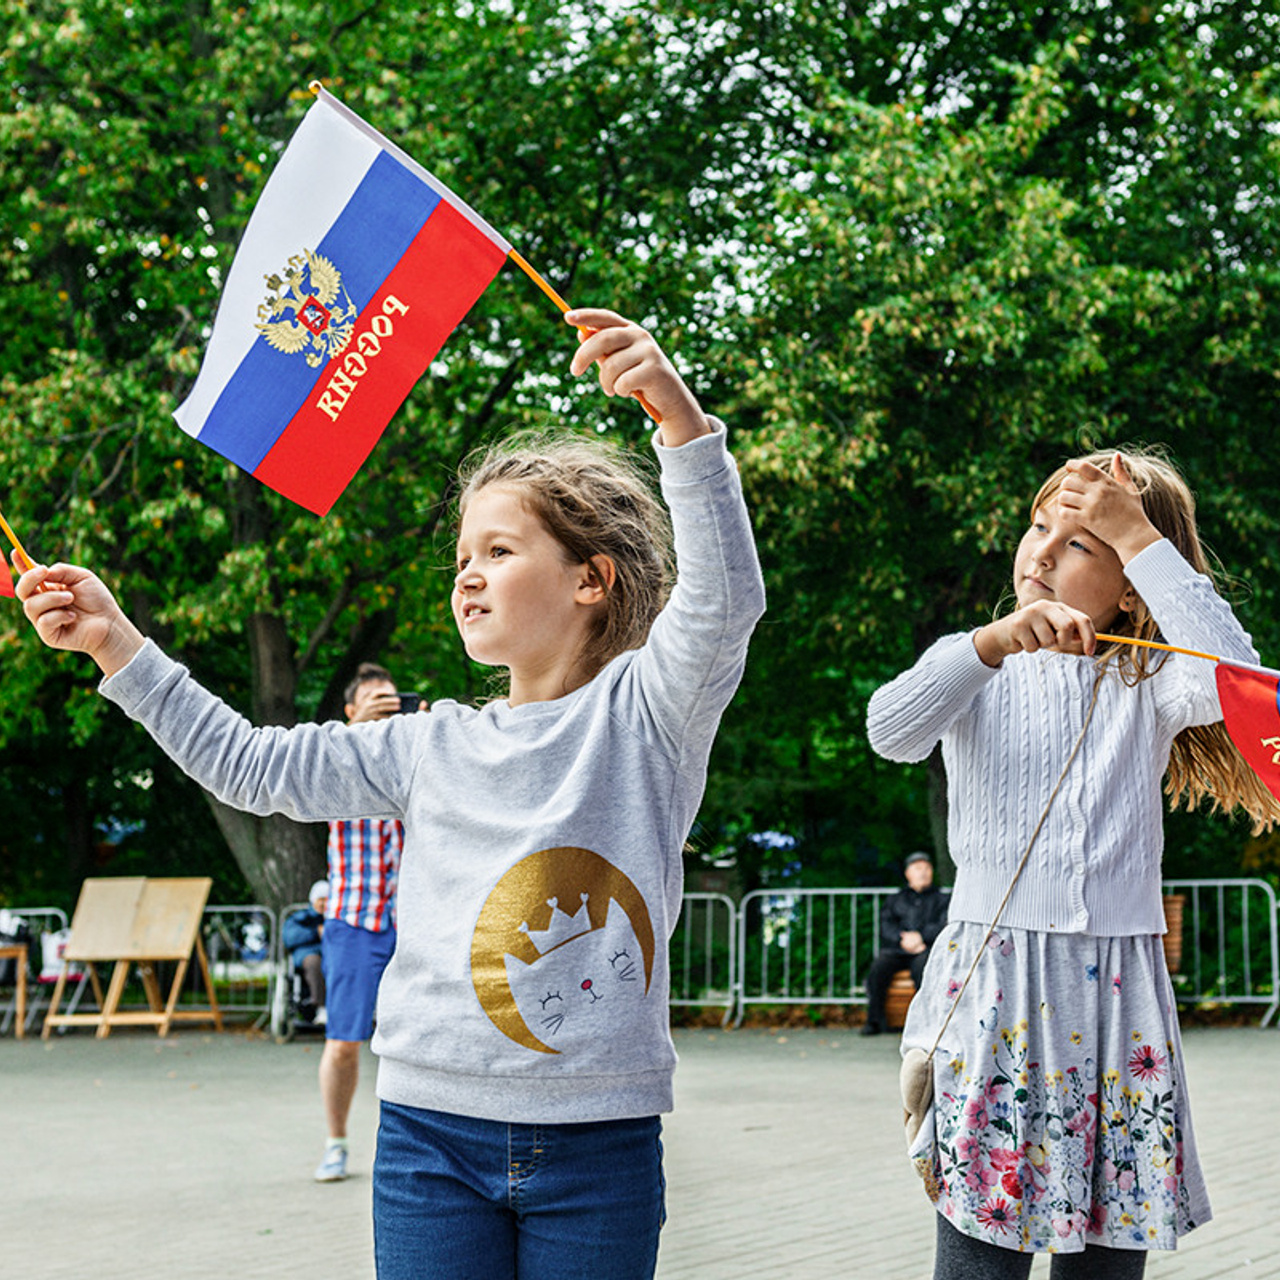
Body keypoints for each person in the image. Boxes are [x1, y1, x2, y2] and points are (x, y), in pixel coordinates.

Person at [16, 307, 765, 1280]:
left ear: (590, 577)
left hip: (599, 1141)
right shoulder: (424, 742)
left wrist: (675, 415)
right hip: (425, 1137)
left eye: (499, 550)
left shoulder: (649, 712)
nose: (467, 575)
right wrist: (116, 641)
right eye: (461, 557)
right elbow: (252, 764)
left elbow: (726, 597)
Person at [867, 448, 1278, 1280]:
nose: (1042, 554)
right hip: (999, 984)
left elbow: (1237, 674)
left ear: (1128, 584)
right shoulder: (978, 665)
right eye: (1038, 527)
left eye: (1083, 542)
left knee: (1107, 1246)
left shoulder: (1152, 681)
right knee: (984, 1237)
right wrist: (984, 645)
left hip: (1120, 993)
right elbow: (891, 730)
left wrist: (1140, 533)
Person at [313, 663, 418, 1184]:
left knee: (423, 1041)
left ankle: (419, 1150)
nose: (385, 706)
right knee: (344, 1041)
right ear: (351, 711)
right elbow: (316, 774)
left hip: (413, 920)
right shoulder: (340, 756)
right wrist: (359, 733)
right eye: (374, 700)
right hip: (353, 920)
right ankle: (335, 1141)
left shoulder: (413, 757)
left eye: (391, 699)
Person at [861, 851, 949, 1037]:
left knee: (923, 970)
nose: (923, 872)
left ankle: (926, 1024)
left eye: (927, 868)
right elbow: (886, 925)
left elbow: (944, 924)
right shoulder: (896, 899)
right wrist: (903, 939)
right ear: (908, 873)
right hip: (899, 949)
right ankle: (874, 1021)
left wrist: (921, 937)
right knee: (878, 968)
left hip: (926, 949)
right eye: (918, 868)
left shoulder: (942, 899)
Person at [281, 878, 329, 1023]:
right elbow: (290, 937)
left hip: (331, 955)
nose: (323, 903)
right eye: (320, 899)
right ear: (313, 900)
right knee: (314, 962)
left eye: (327, 900)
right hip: (307, 955)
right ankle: (321, 1007)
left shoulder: (336, 918)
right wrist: (316, 933)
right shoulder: (300, 918)